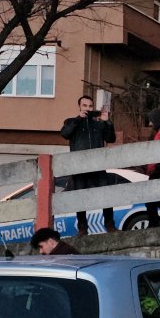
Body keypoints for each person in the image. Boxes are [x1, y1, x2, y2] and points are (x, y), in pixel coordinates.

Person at [60, 95, 121, 236]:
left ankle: (110, 225)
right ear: (79, 107)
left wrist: (107, 122)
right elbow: (65, 133)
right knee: (80, 198)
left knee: (105, 194)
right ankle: (82, 228)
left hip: (98, 166)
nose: (88, 109)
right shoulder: (71, 122)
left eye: (90, 106)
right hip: (79, 168)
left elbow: (111, 138)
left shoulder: (98, 124)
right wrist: (78, 119)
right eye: (85, 106)